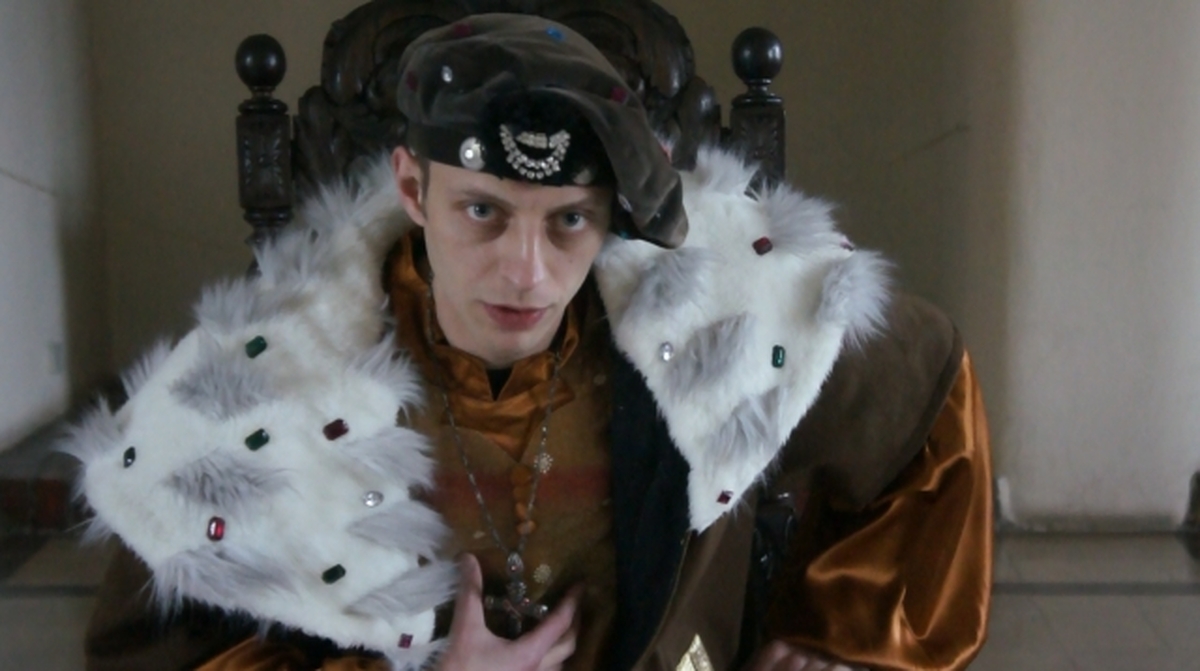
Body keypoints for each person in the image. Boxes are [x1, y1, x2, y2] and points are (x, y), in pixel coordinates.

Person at [75, 13, 992, 671]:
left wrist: (844, 634)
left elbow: (928, 390)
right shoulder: (256, 390)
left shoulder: (711, 316)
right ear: (411, 187)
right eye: (483, 211)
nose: (526, 272)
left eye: (568, 220)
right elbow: (146, 651)